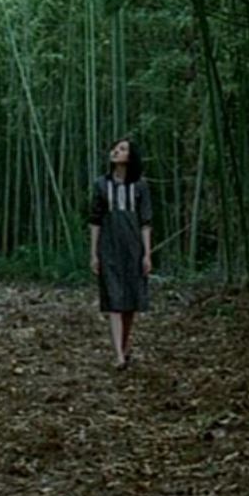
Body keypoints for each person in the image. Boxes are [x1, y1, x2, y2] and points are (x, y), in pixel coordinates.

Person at [88, 138, 153, 370]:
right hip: (109, 246)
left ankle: (124, 347)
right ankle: (118, 355)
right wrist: (94, 253)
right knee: (114, 301)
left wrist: (147, 254)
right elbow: (95, 221)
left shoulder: (140, 186)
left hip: (133, 247)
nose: (115, 151)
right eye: (115, 148)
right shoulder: (101, 185)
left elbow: (146, 222)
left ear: (131, 156)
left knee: (130, 302)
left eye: (122, 149)